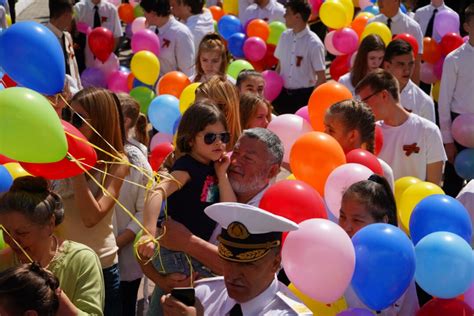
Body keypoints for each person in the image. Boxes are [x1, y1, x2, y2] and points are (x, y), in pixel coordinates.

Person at [140, 128, 284, 294]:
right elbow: (145, 242)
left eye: (248, 158)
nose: (235, 162)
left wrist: (188, 242)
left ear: (272, 171)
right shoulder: (211, 184)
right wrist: (162, 281)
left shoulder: (272, 212)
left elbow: (251, 272)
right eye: (235, 152)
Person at [137, 102, 235, 316]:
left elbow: (230, 210)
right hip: (176, 252)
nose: (219, 142)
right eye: (210, 137)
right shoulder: (187, 167)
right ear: (190, 140)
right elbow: (156, 192)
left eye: (223, 137)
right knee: (181, 304)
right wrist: (148, 233)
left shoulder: (213, 167)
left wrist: (222, 175)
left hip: (190, 251)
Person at [160, 202, 312, 315]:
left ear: (275, 263)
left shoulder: (289, 313)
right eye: (227, 261)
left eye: (247, 264)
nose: (233, 274)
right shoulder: (204, 293)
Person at [56, 87, 129, 316]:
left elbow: (91, 217)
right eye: (67, 116)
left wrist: (75, 169)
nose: (68, 124)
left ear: (101, 122)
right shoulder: (59, 154)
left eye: (77, 119)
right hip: (62, 265)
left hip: (99, 268)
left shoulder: (117, 163)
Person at [0, 176, 104, 315]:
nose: (12, 240)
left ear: (50, 224)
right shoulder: (4, 262)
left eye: (22, 233)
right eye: (5, 232)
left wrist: (55, 293)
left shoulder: (81, 260)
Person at [339, 175, 419, 315]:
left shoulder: (401, 261)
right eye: (342, 216)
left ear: (383, 222)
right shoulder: (333, 254)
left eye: (357, 220)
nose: (347, 226)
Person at [355, 69, 446, 185]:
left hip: (417, 202)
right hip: (383, 203)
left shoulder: (429, 131)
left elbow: (434, 186)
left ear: (384, 95)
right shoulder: (369, 133)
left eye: (365, 101)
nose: (363, 107)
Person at [114, 94, 152, 316]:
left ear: (125, 121)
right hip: (96, 255)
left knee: (125, 307)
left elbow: (144, 208)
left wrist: (121, 240)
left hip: (126, 258)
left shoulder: (137, 159)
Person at [438, 4, 474, 197]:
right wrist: (448, 141)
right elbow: (443, 100)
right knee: (453, 183)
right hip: (459, 126)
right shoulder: (454, 59)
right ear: (467, 26)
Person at [324, 99, 395, 188]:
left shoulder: (383, 171)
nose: (324, 134)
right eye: (325, 127)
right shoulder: (322, 164)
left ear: (352, 135)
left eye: (331, 130)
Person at [273, 0, 326, 114]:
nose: (284, 15)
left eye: (287, 12)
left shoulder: (314, 43)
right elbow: (280, 66)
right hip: (282, 94)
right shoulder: (284, 36)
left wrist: (311, 101)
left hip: (303, 97)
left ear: (297, 17)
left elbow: (321, 77)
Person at [368, 0, 424, 85]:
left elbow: (416, 63)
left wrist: (413, 93)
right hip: (375, 84)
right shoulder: (371, 24)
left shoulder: (412, 27)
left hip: (401, 87)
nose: (379, 2)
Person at [383, 39, 435, 123]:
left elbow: (429, 135)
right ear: (387, 66)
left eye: (411, 64)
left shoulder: (424, 102)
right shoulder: (372, 94)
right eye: (401, 64)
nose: (407, 70)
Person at [141, 0, 196, 77]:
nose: (143, 14)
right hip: (154, 85)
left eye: (144, 11)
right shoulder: (151, 30)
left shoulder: (181, 33)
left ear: (154, 14)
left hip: (172, 87)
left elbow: (187, 72)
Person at [195, 76, 242, 149]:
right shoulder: (189, 148)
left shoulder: (245, 153)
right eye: (197, 108)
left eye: (205, 108)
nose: (199, 114)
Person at [74, 0, 122, 70]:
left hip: (106, 64)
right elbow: (72, 34)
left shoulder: (111, 9)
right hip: (84, 62)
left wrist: (107, 57)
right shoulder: (78, 8)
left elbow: (116, 35)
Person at [46, 0, 82, 92]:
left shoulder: (67, 36)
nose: (73, 18)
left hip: (72, 94)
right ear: (65, 14)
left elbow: (74, 66)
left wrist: (79, 88)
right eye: (72, 13)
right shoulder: (43, 38)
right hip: (54, 97)